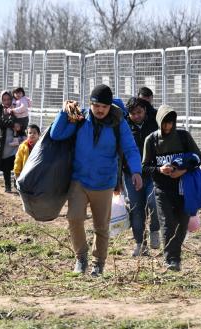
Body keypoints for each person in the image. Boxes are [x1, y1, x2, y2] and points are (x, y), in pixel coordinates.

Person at [50, 84, 143, 277]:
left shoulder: (119, 123)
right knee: (74, 218)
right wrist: (63, 112)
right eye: (96, 105)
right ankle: (81, 257)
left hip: (104, 182)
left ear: (110, 107)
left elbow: (131, 148)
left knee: (101, 226)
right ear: (90, 104)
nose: (100, 110)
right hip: (79, 179)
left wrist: (136, 171)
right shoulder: (80, 118)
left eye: (104, 106)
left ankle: (98, 263)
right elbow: (56, 134)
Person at [142, 104, 201, 272]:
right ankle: (172, 259)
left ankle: (175, 254)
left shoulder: (183, 137)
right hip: (162, 189)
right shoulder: (152, 140)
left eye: (170, 123)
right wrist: (159, 170)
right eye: (164, 123)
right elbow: (145, 167)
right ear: (159, 122)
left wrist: (183, 170)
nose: (167, 127)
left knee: (182, 223)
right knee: (167, 223)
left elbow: (199, 157)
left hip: (184, 189)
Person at [124, 97, 160, 257]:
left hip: (152, 172)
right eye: (133, 113)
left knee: (154, 202)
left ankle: (154, 230)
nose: (137, 116)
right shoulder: (124, 126)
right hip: (131, 174)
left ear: (145, 110)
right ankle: (140, 244)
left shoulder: (153, 122)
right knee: (136, 209)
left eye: (139, 112)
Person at [0, 90, 18, 193]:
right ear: (1, 100)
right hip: (4, 141)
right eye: (4, 99)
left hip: (16, 140)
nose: (7, 101)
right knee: (6, 166)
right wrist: (12, 124)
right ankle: (7, 186)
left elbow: (22, 121)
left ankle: (17, 185)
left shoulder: (16, 108)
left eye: (9, 99)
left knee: (17, 163)